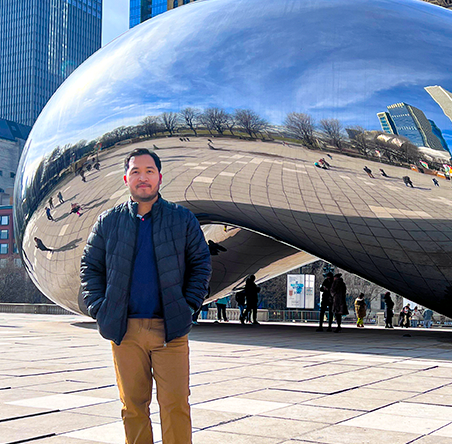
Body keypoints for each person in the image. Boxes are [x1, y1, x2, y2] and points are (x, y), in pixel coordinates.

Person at [80, 148, 211, 444]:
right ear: (126, 178)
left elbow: (201, 264)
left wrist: (188, 306)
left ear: (160, 178)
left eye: (149, 171)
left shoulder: (182, 219)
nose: (143, 177)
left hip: (170, 331)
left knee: (176, 406)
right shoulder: (108, 222)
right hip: (125, 332)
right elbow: (90, 267)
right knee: (133, 408)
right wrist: (100, 309)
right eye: (136, 171)